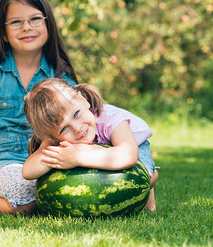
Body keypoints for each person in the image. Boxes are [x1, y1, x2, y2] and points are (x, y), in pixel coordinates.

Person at [0, 0, 78, 215]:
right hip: (3, 165)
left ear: (48, 25)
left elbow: (78, 128)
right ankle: (9, 202)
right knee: (27, 193)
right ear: (3, 33)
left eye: (35, 19)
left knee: (67, 185)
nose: (27, 27)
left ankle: (27, 200)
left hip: (48, 161)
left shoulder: (61, 76)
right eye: (16, 22)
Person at [22, 78, 159, 211]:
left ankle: (152, 179)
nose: (77, 128)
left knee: (143, 182)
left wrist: (77, 157)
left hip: (134, 147)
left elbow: (128, 155)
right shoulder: (54, 139)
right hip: (102, 154)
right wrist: (60, 156)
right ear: (52, 136)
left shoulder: (111, 119)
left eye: (76, 114)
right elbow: (28, 171)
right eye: (64, 129)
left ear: (83, 101)